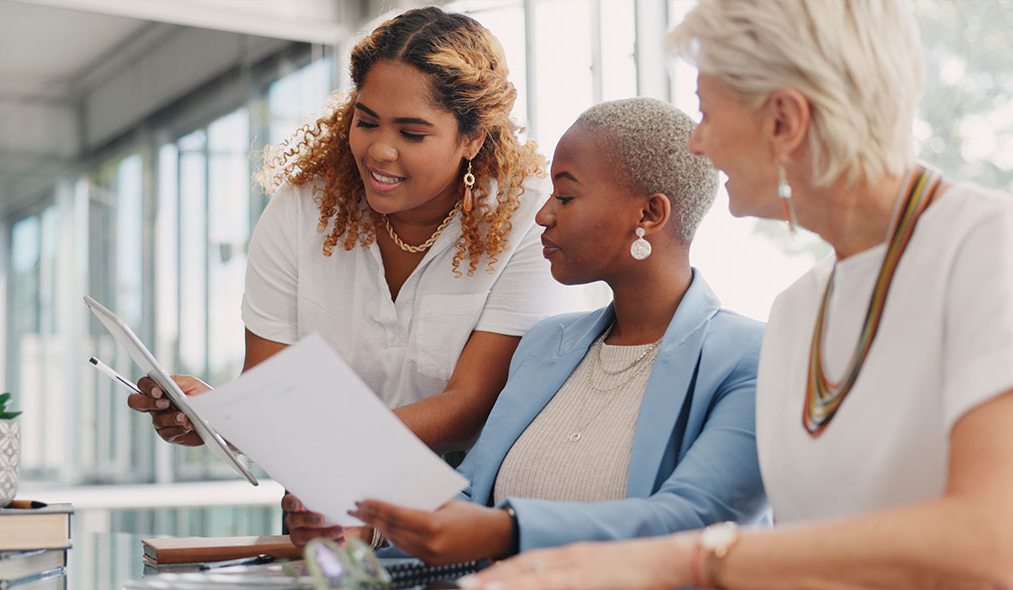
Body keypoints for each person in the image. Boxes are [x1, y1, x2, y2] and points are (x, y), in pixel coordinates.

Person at [459, 1, 1013, 589]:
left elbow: (999, 541)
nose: (700, 145)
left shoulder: (991, 245)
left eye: (708, 113)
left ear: (785, 121)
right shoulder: (798, 309)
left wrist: (684, 560)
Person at [284, 97, 768, 560]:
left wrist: (506, 530)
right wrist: (364, 525)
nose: (543, 214)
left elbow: (695, 521)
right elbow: (470, 501)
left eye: (566, 195)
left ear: (649, 214)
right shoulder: (546, 346)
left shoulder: (748, 359)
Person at [128, 7, 572, 460]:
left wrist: (303, 434)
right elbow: (269, 391)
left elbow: (469, 409)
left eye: (412, 134)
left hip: (467, 513)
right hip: (325, 504)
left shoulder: (529, 217)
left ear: (472, 138)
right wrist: (216, 416)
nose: (379, 151)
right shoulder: (303, 209)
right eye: (366, 121)